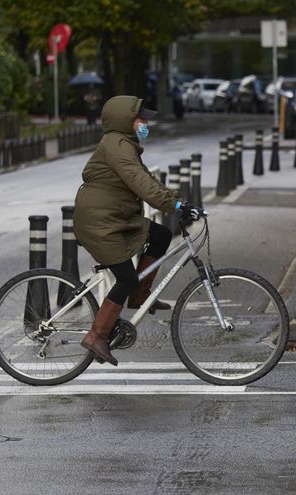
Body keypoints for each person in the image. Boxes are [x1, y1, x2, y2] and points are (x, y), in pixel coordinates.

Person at [73, 95, 199, 366]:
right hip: (101, 224)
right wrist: (172, 204)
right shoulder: (116, 144)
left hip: (116, 218)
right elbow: (140, 182)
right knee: (126, 277)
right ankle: (97, 335)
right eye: (140, 119)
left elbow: (148, 179)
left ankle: (140, 297)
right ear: (126, 120)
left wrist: (177, 200)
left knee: (162, 235)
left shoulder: (125, 144)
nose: (144, 124)